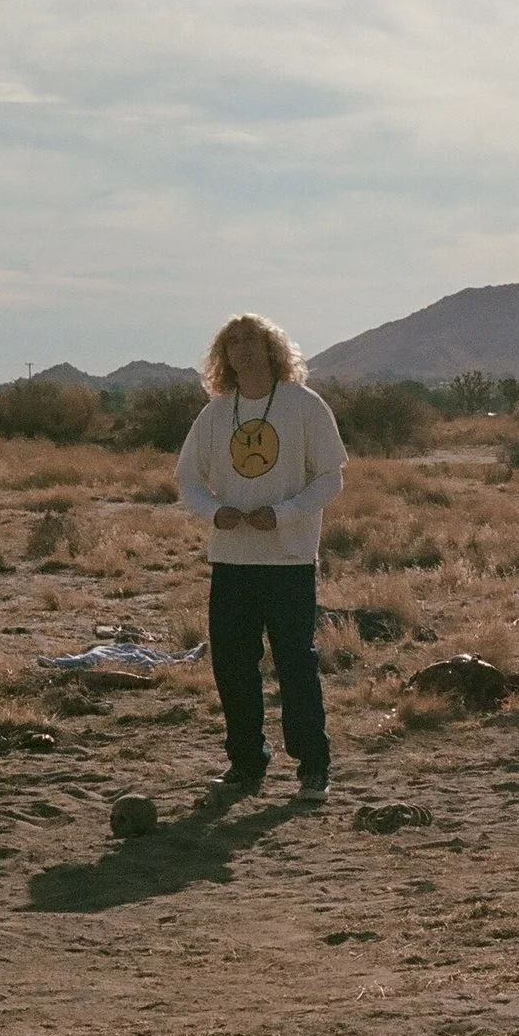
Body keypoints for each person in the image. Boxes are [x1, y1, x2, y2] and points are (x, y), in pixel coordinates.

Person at [175, 314, 347, 803]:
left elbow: (330, 476)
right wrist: (213, 512)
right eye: (233, 342)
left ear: (273, 349)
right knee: (232, 667)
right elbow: (187, 477)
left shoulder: (304, 406)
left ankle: (314, 766)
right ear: (222, 356)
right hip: (231, 561)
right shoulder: (215, 412)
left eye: (253, 339)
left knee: (296, 664)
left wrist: (286, 513)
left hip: (289, 560)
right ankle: (246, 764)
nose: (243, 349)